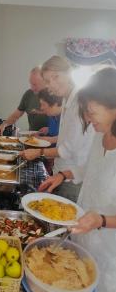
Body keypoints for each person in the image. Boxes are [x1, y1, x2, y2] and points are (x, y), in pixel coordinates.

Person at [68, 67, 116, 292]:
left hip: (111, 256)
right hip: (84, 238)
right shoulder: (100, 136)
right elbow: (88, 170)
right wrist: (62, 174)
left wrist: (102, 220)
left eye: (92, 112)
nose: (87, 118)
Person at [20, 56, 94, 202]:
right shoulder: (67, 100)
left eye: (56, 77)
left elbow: (68, 149)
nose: (52, 84)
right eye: (47, 81)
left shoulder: (79, 102)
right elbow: (64, 141)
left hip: (72, 179)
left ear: (69, 73)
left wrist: (38, 152)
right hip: (62, 173)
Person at [0, 66, 48, 135]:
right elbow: (16, 115)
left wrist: (50, 129)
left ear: (44, 82)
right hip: (33, 138)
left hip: (52, 141)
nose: (32, 88)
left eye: (35, 84)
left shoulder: (54, 95)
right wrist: (4, 124)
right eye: (31, 83)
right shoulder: (28, 94)